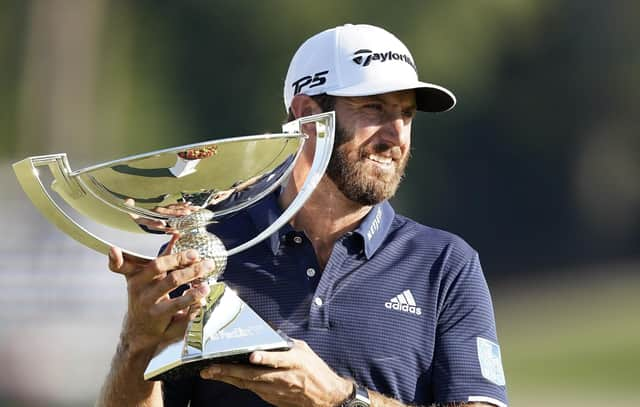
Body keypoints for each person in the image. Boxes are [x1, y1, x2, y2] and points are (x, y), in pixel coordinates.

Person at [97, 24, 508, 407]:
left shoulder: (445, 263)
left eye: (406, 114)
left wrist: (340, 399)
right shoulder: (211, 250)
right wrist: (136, 345)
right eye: (374, 109)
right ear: (307, 115)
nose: (396, 135)